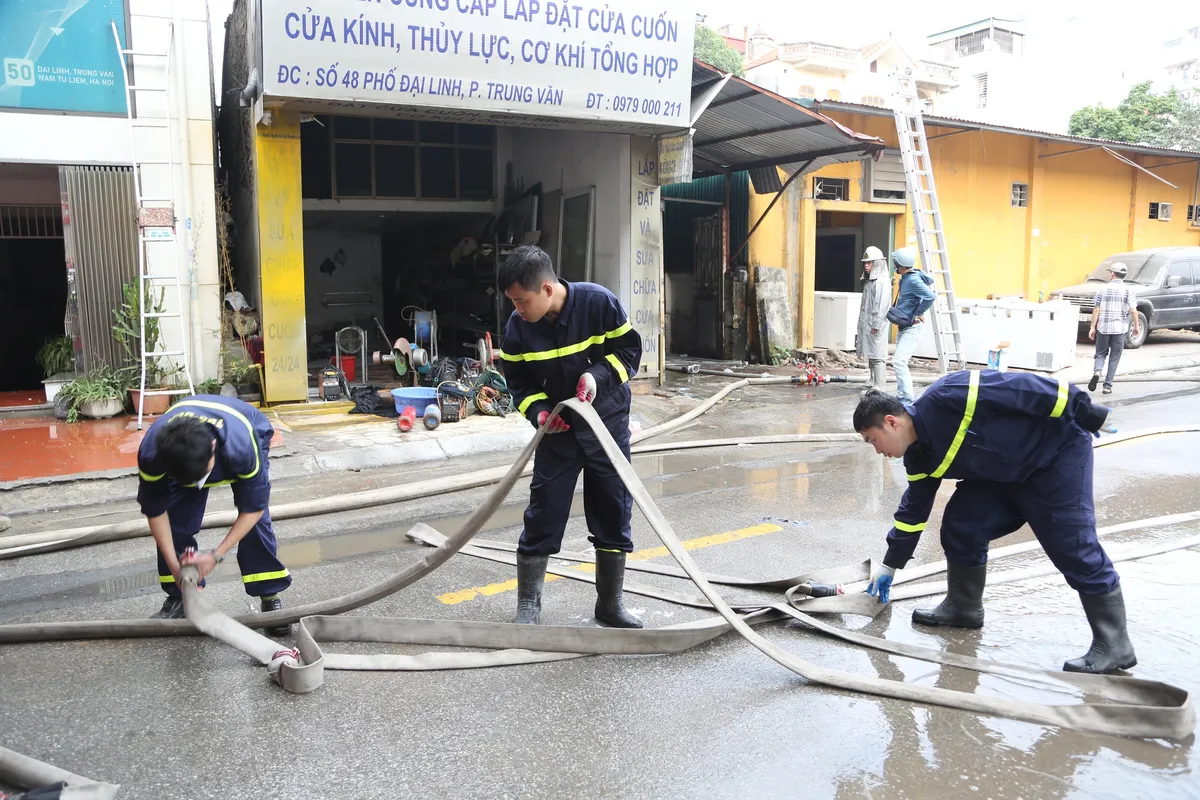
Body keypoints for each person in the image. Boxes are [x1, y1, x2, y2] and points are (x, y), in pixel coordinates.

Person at [853, 371, 1135, 675]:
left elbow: (1026, 388)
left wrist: (1086, 411)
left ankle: (1114, 644)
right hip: (1002, 476)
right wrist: (890, 565)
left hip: (1054, 458)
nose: (878, 450)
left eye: (873, 440)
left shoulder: (949, 395)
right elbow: (913, 512)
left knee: (1074, 547)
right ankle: (964, 607)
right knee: (963, 524)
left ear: (892, 422)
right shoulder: (919, 458)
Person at [498, 245, 643, 629]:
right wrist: (539, 412)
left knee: (613, 508)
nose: (517, 310)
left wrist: (596, 377)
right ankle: (529, 605)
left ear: (547, 289)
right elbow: (517, 381)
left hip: (606, 423)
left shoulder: (599, 304)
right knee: (544, 509)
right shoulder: (518, 327)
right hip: (558, 432)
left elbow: (629, 353)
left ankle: (610, 604)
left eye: (521, 300)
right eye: (512, 302)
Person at [136, 394, 292, 637]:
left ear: (212, 450)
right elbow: (156, 511)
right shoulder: (153, 451)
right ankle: (180, 596)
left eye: (200, 477)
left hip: (247, 429)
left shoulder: (241, 448)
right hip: (189, 454)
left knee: (256, 525)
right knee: (175, 518)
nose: (198, 485)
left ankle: (269, 594)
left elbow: (253, 509)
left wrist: (215, 556)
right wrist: (175, 567)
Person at [887, 246, 936, 403]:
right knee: (899, 361)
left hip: (913, 327)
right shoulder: (906, 277)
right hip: (906, 325)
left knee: (899, 361)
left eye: (895, 263)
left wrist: (919, 313)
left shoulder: (913, 279)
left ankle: (907, 398)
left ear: (900, 264)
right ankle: (903, 395)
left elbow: (930, 297)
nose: (894, 265)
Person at [1089, 262, 1140, 395]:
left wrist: (1092, 328)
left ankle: (1097, 371)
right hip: (1120, 330)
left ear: (1112, 274)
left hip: (1103, 328)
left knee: (1100, 354)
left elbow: (1096, 309)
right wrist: (1136, 326)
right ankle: (1107, 386)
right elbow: (1133, 310)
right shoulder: (1129, 290)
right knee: (1114, 357)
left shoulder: (1102, 289)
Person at [856, 246, 891, 393]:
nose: (866, 265)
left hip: (877, 324)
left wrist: (876, 324)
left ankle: (879, 385)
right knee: (871, 353)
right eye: (865, 262)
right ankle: (872, 380)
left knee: (878, 354)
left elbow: (882, 306)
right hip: (868, 323)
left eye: (869, 263)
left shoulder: (882, 282)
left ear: (877, 263)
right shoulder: (870, 281)